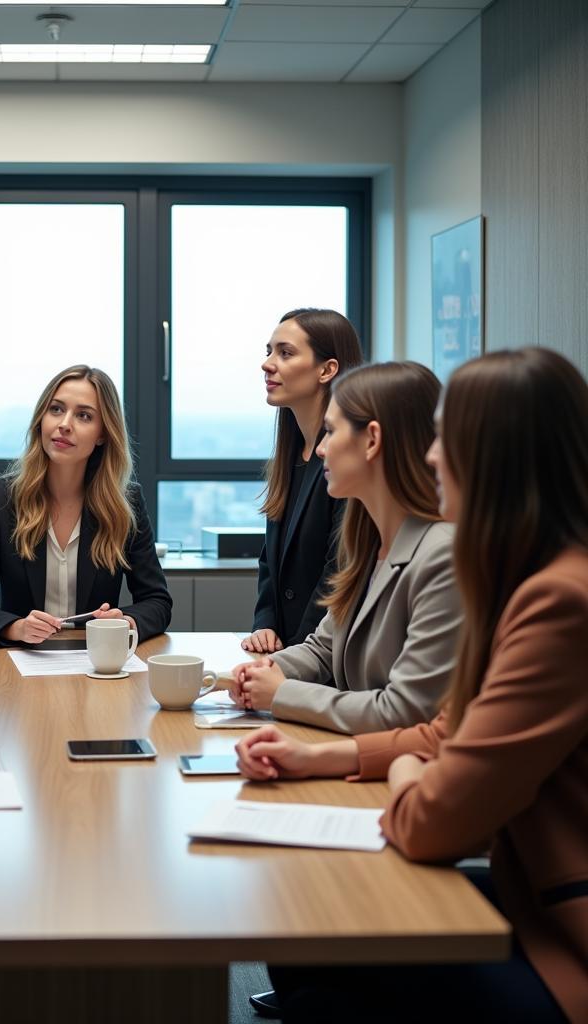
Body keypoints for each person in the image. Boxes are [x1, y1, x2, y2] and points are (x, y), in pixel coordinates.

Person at [234, 348, 587, 1024]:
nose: (431, 458)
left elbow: (431, 822)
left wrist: (403, 775)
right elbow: (445, 733)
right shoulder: (530, 577)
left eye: (446, 440)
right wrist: (320, 757)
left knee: (320, 954)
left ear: (499, 457)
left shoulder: (556, 599)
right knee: (308, 944)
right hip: (520, 896)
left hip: (557, 935)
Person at [228, 362, 462, 734]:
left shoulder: (443, 557)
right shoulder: (369, 543)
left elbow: (405, 711)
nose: (320, 449)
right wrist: (269, 671)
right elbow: (324, 647)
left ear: (371, 440)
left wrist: (282, 694)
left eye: (331, 432)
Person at [0, 364, 172, 646]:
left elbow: (157, 601)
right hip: (20, 662)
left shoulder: (124, 503)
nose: (64, 424)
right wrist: (17, 627)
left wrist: (125, 622)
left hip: (94, 661)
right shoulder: (0, 497)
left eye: (83, 415)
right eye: (56, 409)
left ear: (103, 434)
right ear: (41, 419)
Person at [244, 308, 364, 656]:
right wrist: (264, 623)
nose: (268, 364)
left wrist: (293, 659)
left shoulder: (346, 460)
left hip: (324, 662)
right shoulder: (292, 454)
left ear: (327, 369)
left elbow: (339, 569)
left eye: (285, 353)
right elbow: (271, 561)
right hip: (285, 657)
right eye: (268, 352)